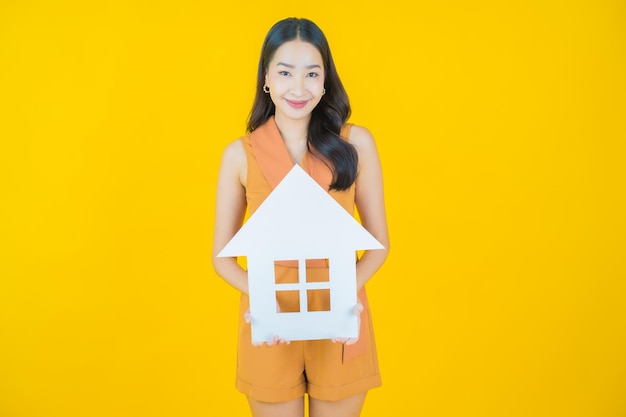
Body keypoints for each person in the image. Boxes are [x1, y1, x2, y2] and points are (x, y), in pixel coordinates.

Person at [212, 17, 389, 417]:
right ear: (266, 79)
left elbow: (379, 245)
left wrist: (342, 299)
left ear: (325, 81)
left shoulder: (354, 143)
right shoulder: (240, 155)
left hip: (342, 320)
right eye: (285, 72)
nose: (298, 87)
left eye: (312, 73)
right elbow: (221, 257)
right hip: (269, 327)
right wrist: (266, 301)